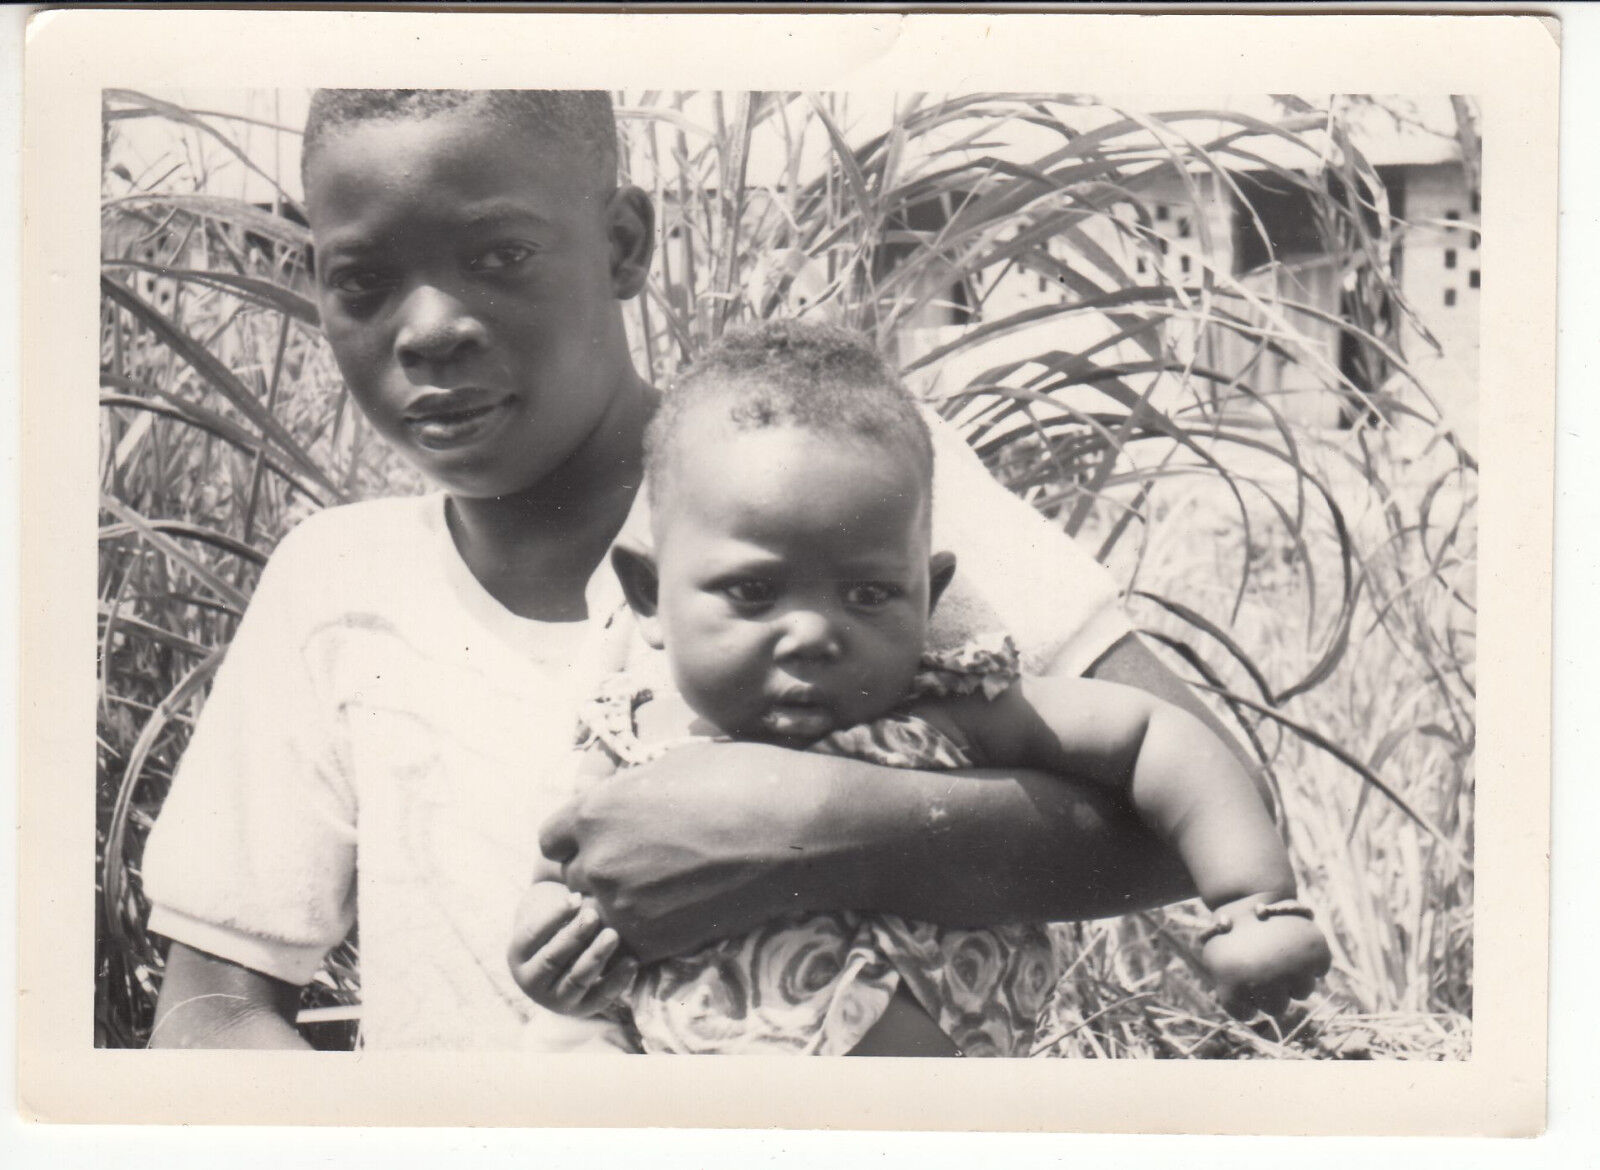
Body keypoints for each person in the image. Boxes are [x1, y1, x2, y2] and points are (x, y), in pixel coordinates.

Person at [143, 89, 1276, 1051]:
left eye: (500, 257)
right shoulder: (336, 584)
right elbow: (209, 1009)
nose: (430, 326)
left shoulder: (846, 477)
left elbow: (1199, 800)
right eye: (362, 281)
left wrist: (803, 823)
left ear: (625, 243)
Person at [506, 322, 1331, 1056]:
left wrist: (1255, 903)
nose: (812, 634)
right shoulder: (625, 748)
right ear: (649, 595)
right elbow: (567, 898)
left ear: (930, 598)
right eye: (754, 593)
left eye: (868, 596)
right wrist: (553, 965)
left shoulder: (948, 712)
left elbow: (1161, 737)